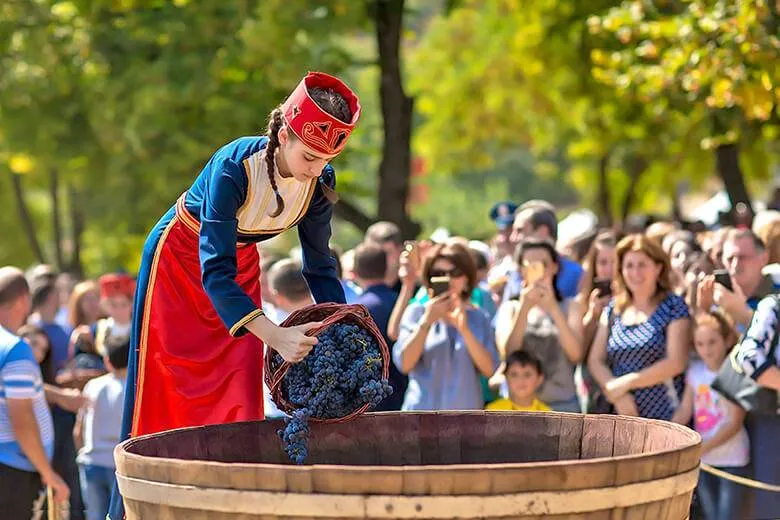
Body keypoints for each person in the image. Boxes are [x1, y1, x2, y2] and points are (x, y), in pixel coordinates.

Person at [108, 71, 360, 519]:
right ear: (284, 134)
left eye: (324, 159)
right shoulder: (235, 166)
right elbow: (214, 269)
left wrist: (342, 326)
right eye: (308, 156)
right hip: (181, 263)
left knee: (238, 388)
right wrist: (275, 336)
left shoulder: (320, 179)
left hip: (239, 269)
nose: (314, 169)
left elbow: (320, 267)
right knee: (163, 386)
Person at [588, 234, 690, 420]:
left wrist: (627, 383)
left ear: (658, 268)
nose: (635, 272)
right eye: (629, 265)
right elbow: (595, 360)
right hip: (621, 415)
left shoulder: (674, 306)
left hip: (664, 416)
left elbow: (676, 362)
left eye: (642, 265)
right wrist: (617, 393)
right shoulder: (613, 309)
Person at [393, 243, 499, 411]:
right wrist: (427, 322)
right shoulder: (416, 312)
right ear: (429, 279)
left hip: (465, 418)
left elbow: (489, 370)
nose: (448, 279)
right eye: (439, 274)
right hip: (421, 416)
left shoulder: (479, 317)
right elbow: (404, 364)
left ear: (467, 279)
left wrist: (464, 329)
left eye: (455, 273)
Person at [0, 267, 69, 519]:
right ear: (23, 299)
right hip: (13, 471)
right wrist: (48, 473)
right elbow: (22, 420)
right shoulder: (15, 349)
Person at [671, 312, 749, 520]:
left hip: (732, 460)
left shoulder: (734, 372)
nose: (706, 349)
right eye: (700, 344)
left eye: (712, 342)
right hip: (705, 462)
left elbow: (734, 423)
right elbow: (685, 410)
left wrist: (701, 448)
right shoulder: (695, 372)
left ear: (727, 340)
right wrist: (667, 433)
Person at [75, 334, 128, 520]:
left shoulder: (93, 385)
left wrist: (81, 452)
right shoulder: (133, 391)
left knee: (94, 515)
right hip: (119, 465)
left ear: (107, 360)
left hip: (91, 460)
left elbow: (78, 429)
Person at [486, 351, 550, 412]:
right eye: (514, 375)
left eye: (527, 375)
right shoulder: (493, 411)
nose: (520, 380)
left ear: (539, 379)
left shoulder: (547, 414)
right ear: (506, 378)